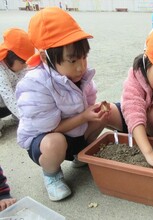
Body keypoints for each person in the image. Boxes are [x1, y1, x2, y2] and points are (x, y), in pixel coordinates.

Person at [16, 7, 109, 201]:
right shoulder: (35, 83)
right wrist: (84, 116)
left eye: (84, 57)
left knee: (103, 114)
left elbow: (88, 108)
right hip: (46, 140)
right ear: (45, 57)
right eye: (72, 60)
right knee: (54, 143)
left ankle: (79, 157)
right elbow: (50, 129)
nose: (80, 66)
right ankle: (52, 176)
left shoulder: (81, 75)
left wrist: (93, 113)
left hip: (73, 134)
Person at [107, 28, 153, 170]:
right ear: (147, 60)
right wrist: (148, 153)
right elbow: (133, 111)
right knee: (104, 111)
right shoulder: (135, 77)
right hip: (131, 121)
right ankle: (79, 155)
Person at [0, 28, 34, 137]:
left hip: (9, 103)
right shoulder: (1, 70)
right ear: (10, 57)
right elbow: (8, 97)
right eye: (22, 62)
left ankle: (15, 118)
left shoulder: (20, 67)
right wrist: (27, 122)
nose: (25, 66)